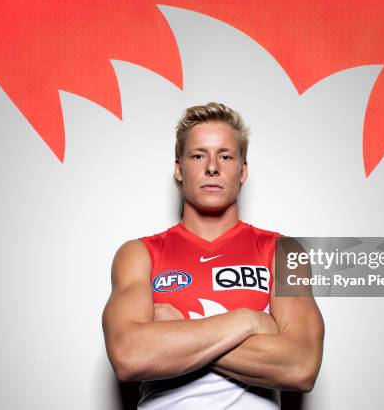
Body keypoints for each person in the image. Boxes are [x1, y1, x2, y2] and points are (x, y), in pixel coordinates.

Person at [102, 102, 324, 409]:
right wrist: (249, 321)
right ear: (179, 169)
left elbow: (302, 366)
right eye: (198, 155)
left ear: (242, 170)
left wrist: (175, 331)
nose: (212, 167)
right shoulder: (140, 253)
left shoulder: (283, 251)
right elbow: (129, 356)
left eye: (225, 156)